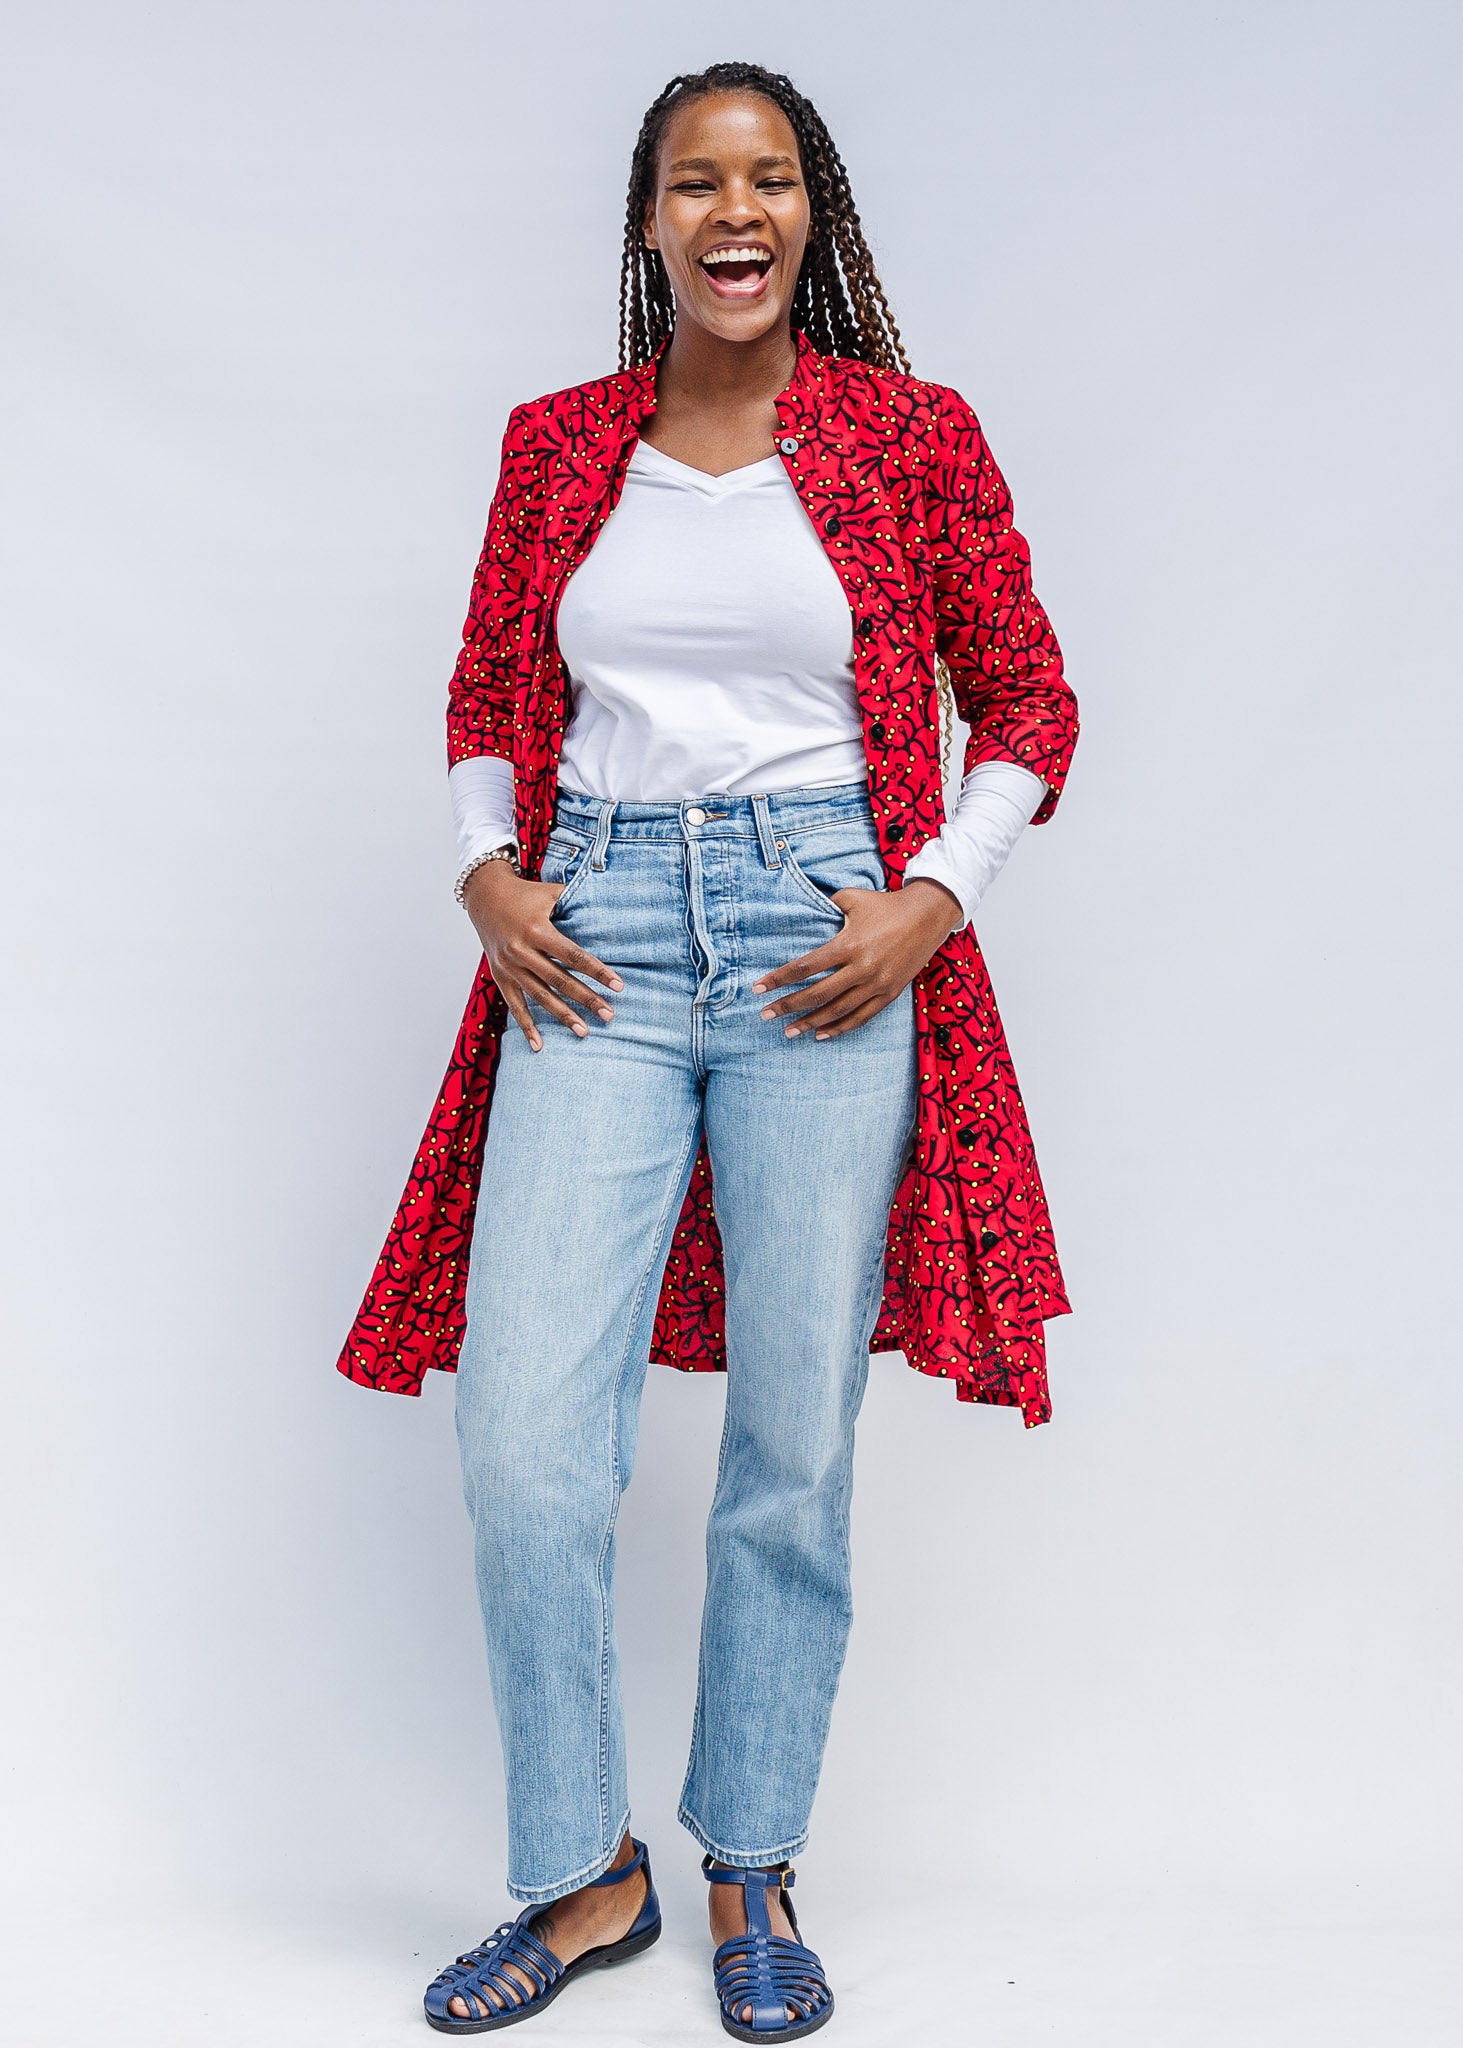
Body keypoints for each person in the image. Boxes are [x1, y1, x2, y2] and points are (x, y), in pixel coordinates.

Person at [338, 59, 1078, 2041]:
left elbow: (1025, 701)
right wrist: (491, 872)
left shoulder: (913, 438)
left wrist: (930, 898)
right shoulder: (562, 443)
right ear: (651, 222)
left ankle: (753, 1862)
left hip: (820, 935)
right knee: (523, 1441)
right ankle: (585, 1878)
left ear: (810, 216)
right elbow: (488, 689)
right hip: (594, 944)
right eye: (694, 182)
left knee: (790, 1450)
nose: (731, 211)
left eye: (767, 180)